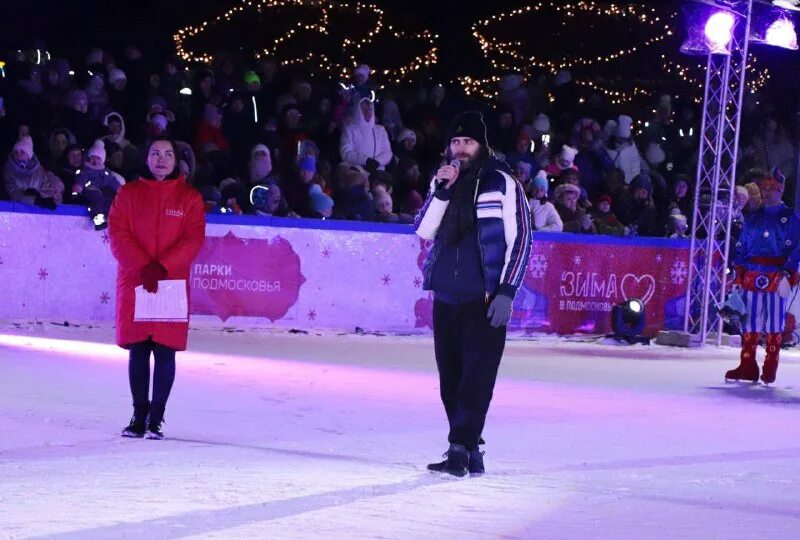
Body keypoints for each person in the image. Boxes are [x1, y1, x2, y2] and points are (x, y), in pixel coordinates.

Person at [414, 111, 532, 476]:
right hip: (447, 296)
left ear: (481, 145)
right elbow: (423, 230)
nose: (461, 149)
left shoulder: (502, 181)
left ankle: (459, 447)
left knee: (476, 378)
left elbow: (522, 238)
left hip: (484, 298)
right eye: (456, 142)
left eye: (468, 142)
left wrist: (507, 291)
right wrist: (441, 191)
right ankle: (469, 449)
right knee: (450, 378)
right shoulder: (446, 184)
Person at [109, 138, 206, 439]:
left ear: (176, 160)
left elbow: (193, 239)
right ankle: (139, 415)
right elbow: (118, 234)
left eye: (167, 154)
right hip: (137, 281)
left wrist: (162, 266)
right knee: (138, 350)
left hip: (169, 282)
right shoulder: (127, 193)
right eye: (155, 153)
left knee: (165, 352)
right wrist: (143, 266)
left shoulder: (190, 198)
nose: (161, 159)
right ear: (146, 158)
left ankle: (156, 418)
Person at [725, 170, 800, 384]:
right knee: (749, 322)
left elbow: (796, 249)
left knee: (775, 322)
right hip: (751, 274)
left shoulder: (790, 219)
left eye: (771, 188)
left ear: (781, 189)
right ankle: (747, 365)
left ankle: (770, 365)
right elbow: (742, 247)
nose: (767, 192)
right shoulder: (754, 218)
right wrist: (739, 272)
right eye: (764, 188)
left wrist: (788, 273)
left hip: (777, 275)